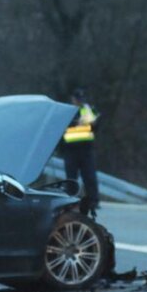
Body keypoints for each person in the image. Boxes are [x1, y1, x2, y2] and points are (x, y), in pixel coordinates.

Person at [61, 89, 101, 217]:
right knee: (71, 178)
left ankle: (93, 201)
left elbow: (96, 124)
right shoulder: (66, 111)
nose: (78, 101)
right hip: (71, 150)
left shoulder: (88, 110)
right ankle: (70, 201)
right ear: (72, 99)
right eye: (77, 98)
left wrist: (90, 123)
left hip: (86, 149)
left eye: (80, 99)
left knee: (90, 177)